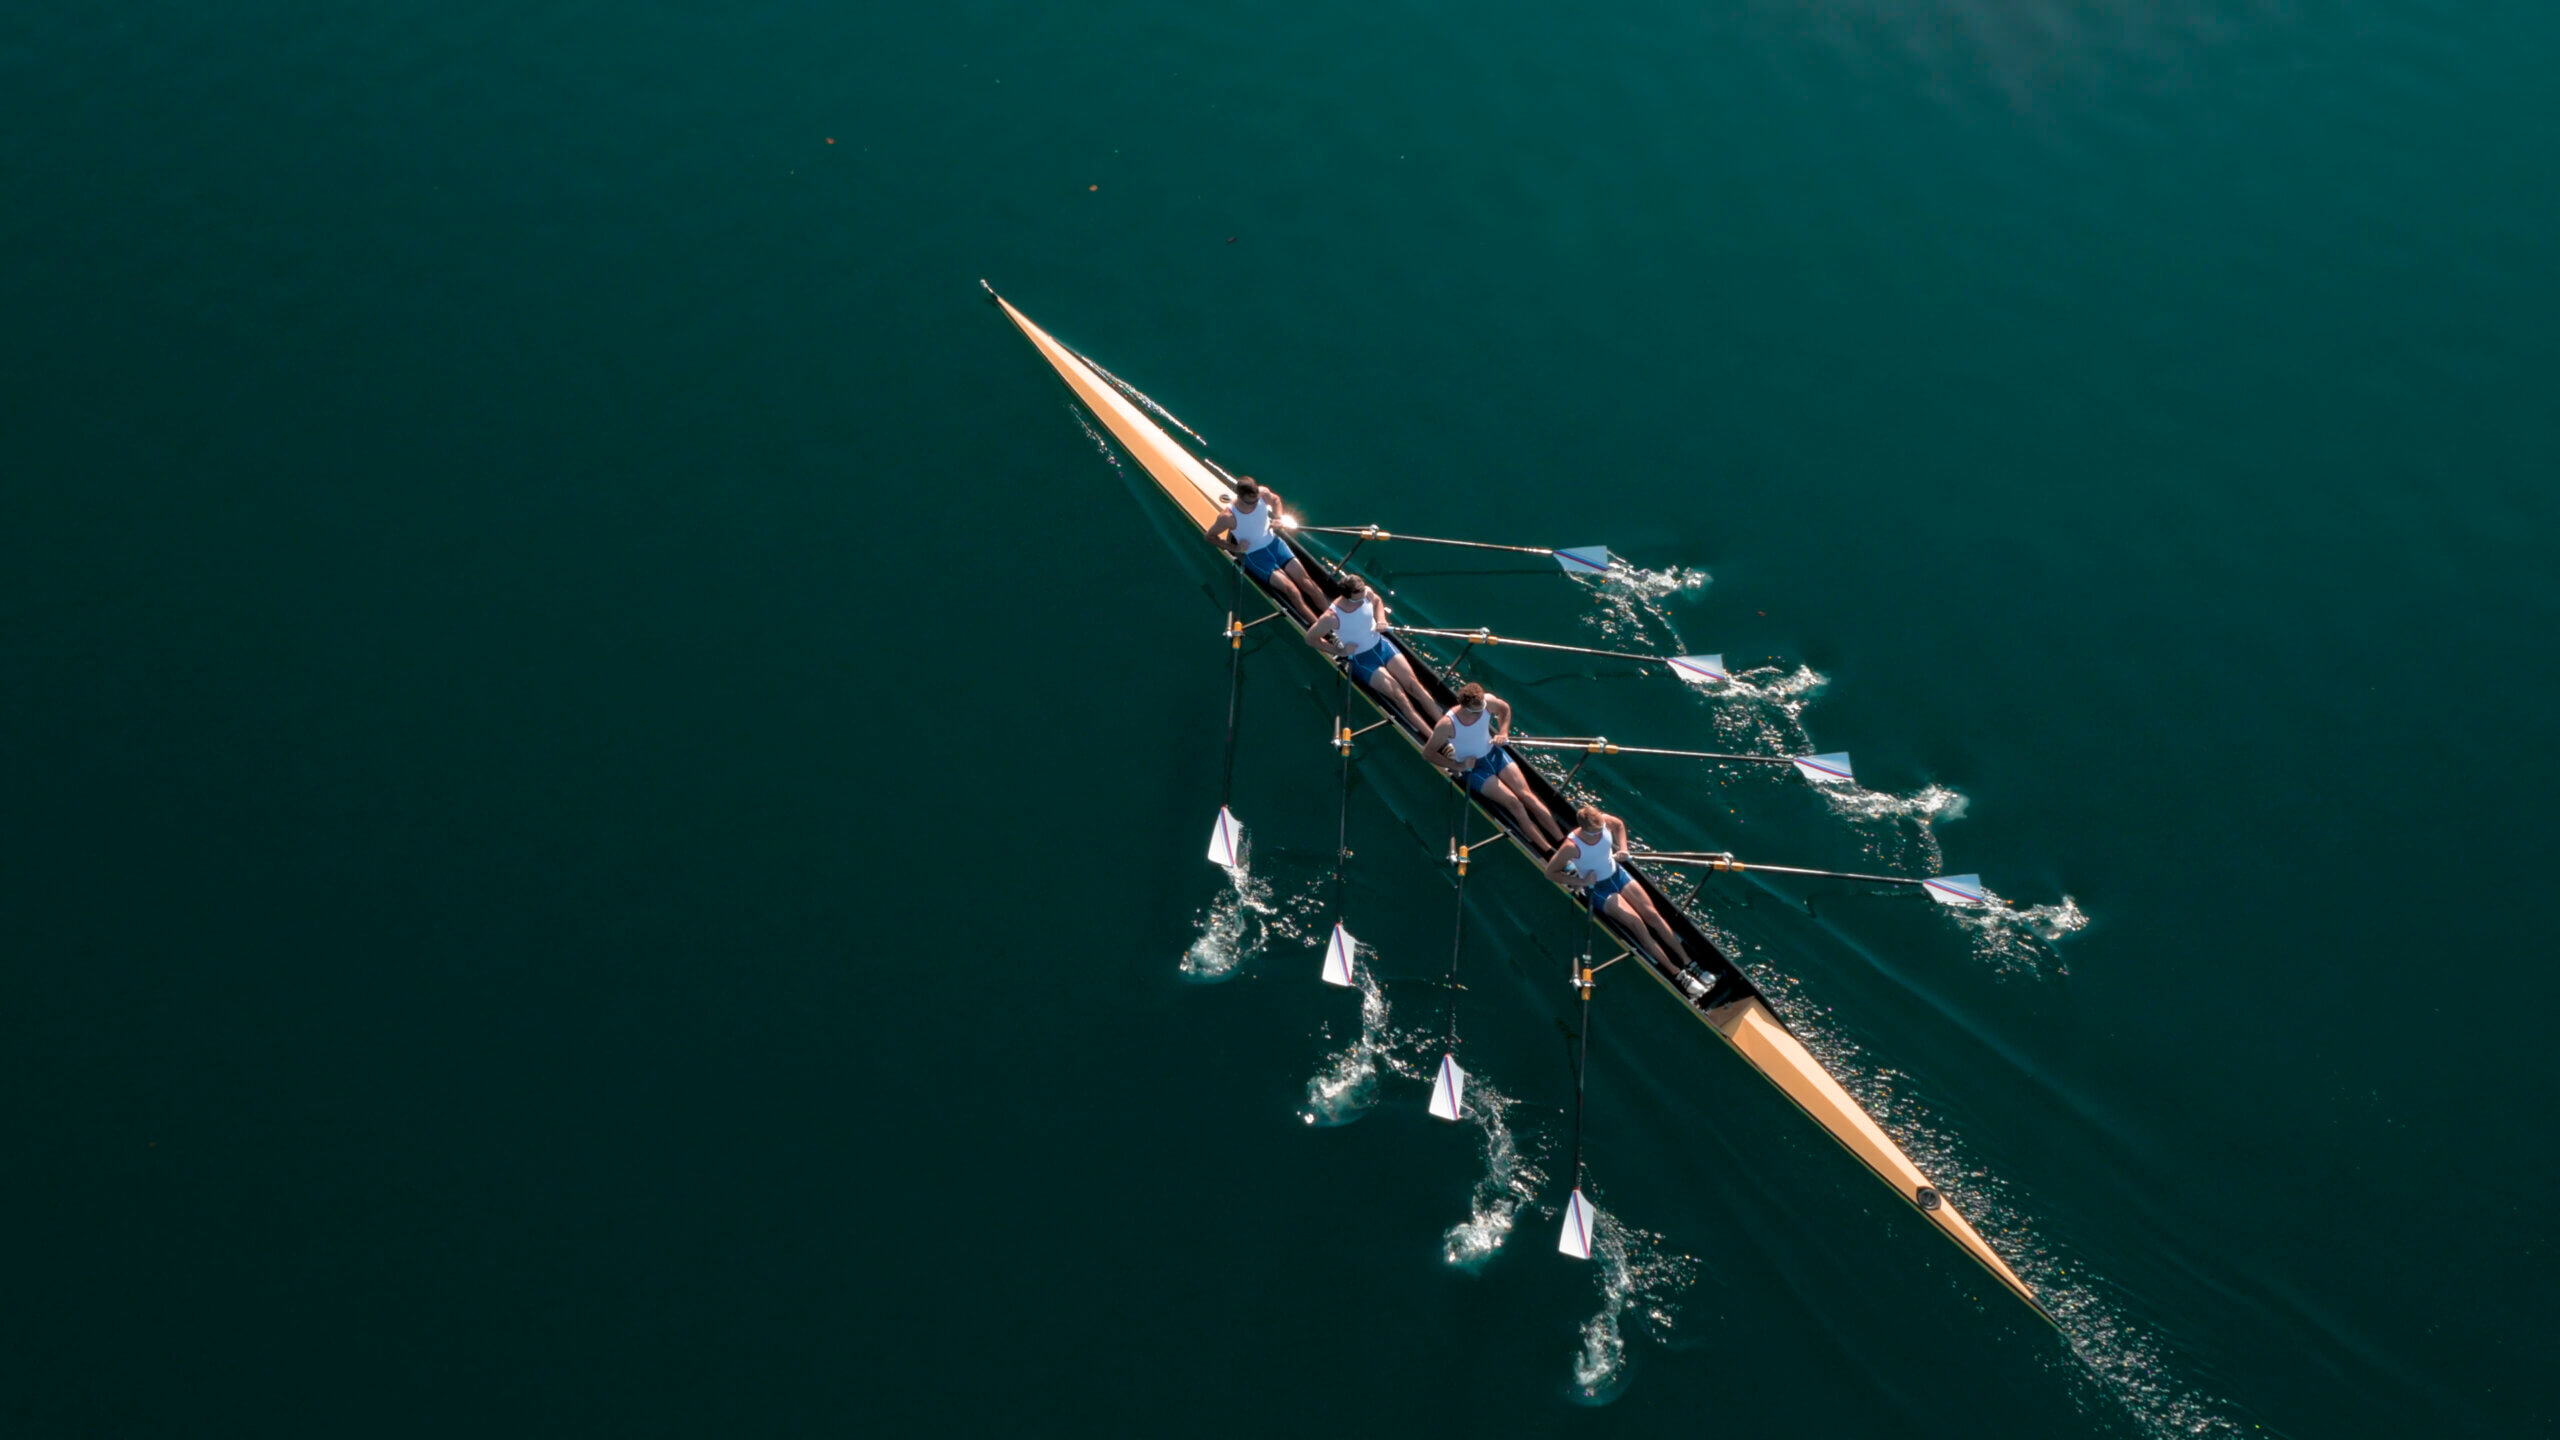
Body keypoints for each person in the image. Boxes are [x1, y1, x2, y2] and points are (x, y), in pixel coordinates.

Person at [1542, 804, 1691, 969]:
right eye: (1597, 832)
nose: (1601, 832)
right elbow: (1550, 873)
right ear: (1584, 829)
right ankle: (1675, 971)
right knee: (1637, 924)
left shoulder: (1603, 821)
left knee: (1652, 915)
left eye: (1602, 829)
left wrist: (1623, 848)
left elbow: (1619, 825)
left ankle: (1688, 961)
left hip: (1618, 875)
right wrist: (1583, 882)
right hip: (1599, 889)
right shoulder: (1571, 847)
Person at [1426, 683, 1564, 849]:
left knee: (1528, 797)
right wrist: (1459, 765)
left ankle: (1564, 842)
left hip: (1494, 754)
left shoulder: (1487, 702)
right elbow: (1428, 753)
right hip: (1475, 769)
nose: (1480, 714)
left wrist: (1503, 732)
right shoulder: (1446, 725)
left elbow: (1504, 709)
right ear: (1464, 707)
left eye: (1482, 709)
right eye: (1475, 712)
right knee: (1515, 805)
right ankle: (1549, 851)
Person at [1303, 573, 1438, 735]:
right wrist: (1340, 651)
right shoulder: (1331, 617)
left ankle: (1447, 728)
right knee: (1400, 697)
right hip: (1363, 660)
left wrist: (1381, 619)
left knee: (1415, 686)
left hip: (1382, 646)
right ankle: (1436, 740)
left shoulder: (1365, 592)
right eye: (1358, 599)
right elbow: (1310, 639)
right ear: (1347, 596)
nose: (1363, 600)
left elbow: (1377, 601)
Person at [1205, 476, 1327, 622]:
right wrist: (1235, 547)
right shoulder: (1227, 517)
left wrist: (1279, 518)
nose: (1254, 505)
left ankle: (1336, 619)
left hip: (1275, 544)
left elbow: (1276, 500)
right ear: (1240, 497)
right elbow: (1210, 537)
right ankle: (1326, 633)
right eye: (1250, 502)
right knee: (1292, 591)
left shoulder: (1262, 493)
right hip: (1255, 555)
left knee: (1308, 583)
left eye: (1256, 500)